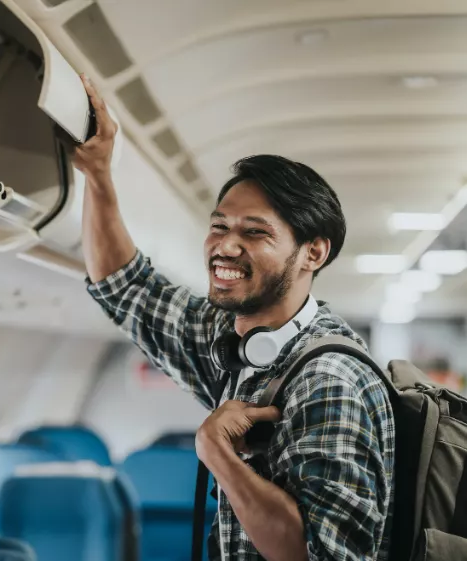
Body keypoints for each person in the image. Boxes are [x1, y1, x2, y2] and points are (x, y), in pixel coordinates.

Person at [73, 74, 395, 561]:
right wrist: (98, 174)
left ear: (313, 253)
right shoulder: (237, 343)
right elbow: (126, 288)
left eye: (254, 232)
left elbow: (323, 555)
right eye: (219, 226)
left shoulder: (328, 382)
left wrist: (217, 453)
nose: (225, 245)